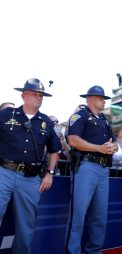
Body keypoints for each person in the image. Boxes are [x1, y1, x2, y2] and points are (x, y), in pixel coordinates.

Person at [0, 78, 61, 253]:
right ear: (23, 95)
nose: (38, 97)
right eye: (34, 94)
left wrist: (49, 173)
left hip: (30, 178)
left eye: (41, 95)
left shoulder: (46, 122)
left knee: (26, 225)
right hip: (3, 172)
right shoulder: (5, 115)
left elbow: (54, 149)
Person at [65, 85, 117, 254]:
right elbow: (72, 140)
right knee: (78, 215)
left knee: (100, 215)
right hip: (85, 166)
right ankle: (73, 251)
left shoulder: (105, 120)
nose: (103, 101)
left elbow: (114, 143)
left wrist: (112, 147)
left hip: (103, 168)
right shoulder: (79, 115)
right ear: (91, 99)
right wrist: (99, 148)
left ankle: (94, 250)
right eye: (101, 98)